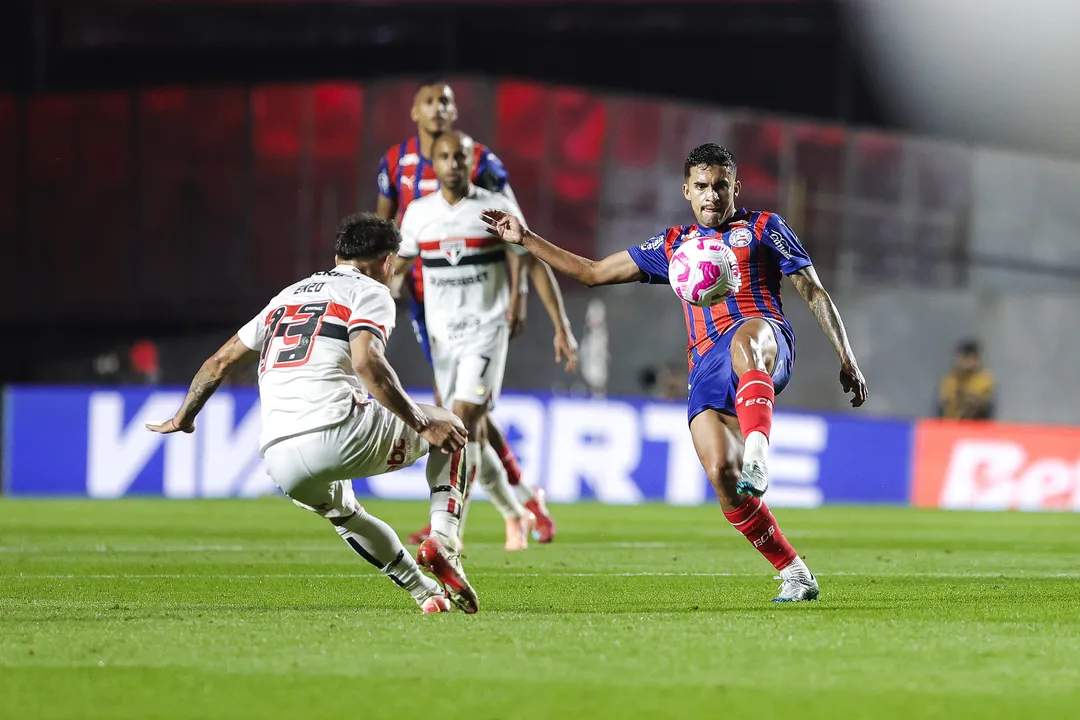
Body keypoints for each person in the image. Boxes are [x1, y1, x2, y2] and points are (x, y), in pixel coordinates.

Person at [482, 143, 869, 602]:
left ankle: (760, 453)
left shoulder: (765, 228)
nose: (712, 195)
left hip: (765, 341)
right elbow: (591, 272)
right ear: (687, 190)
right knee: (723, 477)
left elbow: (814, 291)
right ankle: (794, 572)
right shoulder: (673, 246)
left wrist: (847, 356)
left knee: (746, 342)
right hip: (706, 366)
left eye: (721, 186)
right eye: (702, 186)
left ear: (735, 188)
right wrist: (525, 237)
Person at [146, 213, 479, 615]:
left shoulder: (286, 296)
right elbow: (367, 363)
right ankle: (443, 542)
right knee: (454, 429)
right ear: (387, 261)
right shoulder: (371, 292)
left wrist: (183, 416)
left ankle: (425, 594)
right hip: (339, 428)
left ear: (339, 254)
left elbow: (218, 362)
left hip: (278, 456)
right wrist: (424, 423)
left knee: (345, 515)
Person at [376, 78, 574, 545]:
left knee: (459, 418)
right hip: (438, 326)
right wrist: (382, 294)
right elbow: (394, 262)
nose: (451, 164)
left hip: (486, 329)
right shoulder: (417, 211)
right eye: (443, 158)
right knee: (474, 431)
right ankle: (519, 507)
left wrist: (551, 318)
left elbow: (529, 256)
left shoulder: (495, 204)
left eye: (459, 157)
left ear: (472, 160)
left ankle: (447, 533)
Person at [936, 339, 995, 420]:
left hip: (976, 427)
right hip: (950, 427)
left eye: (973, 357)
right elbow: (943, 403)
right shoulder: (950, 379)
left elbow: (987, 406)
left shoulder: (984, 380)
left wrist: (972, 401)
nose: (969, 362)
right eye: (966, 357)